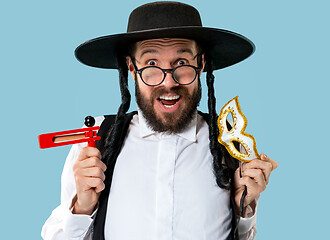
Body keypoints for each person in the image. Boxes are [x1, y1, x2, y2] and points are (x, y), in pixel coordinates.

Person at [41, 2, 277, 240]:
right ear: (132, 68)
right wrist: (82, 206)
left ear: (201, 63)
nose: (168, 83)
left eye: (182, 63)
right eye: (152, 64)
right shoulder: (97, 142)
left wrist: (243, 209)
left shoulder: (227, 145)